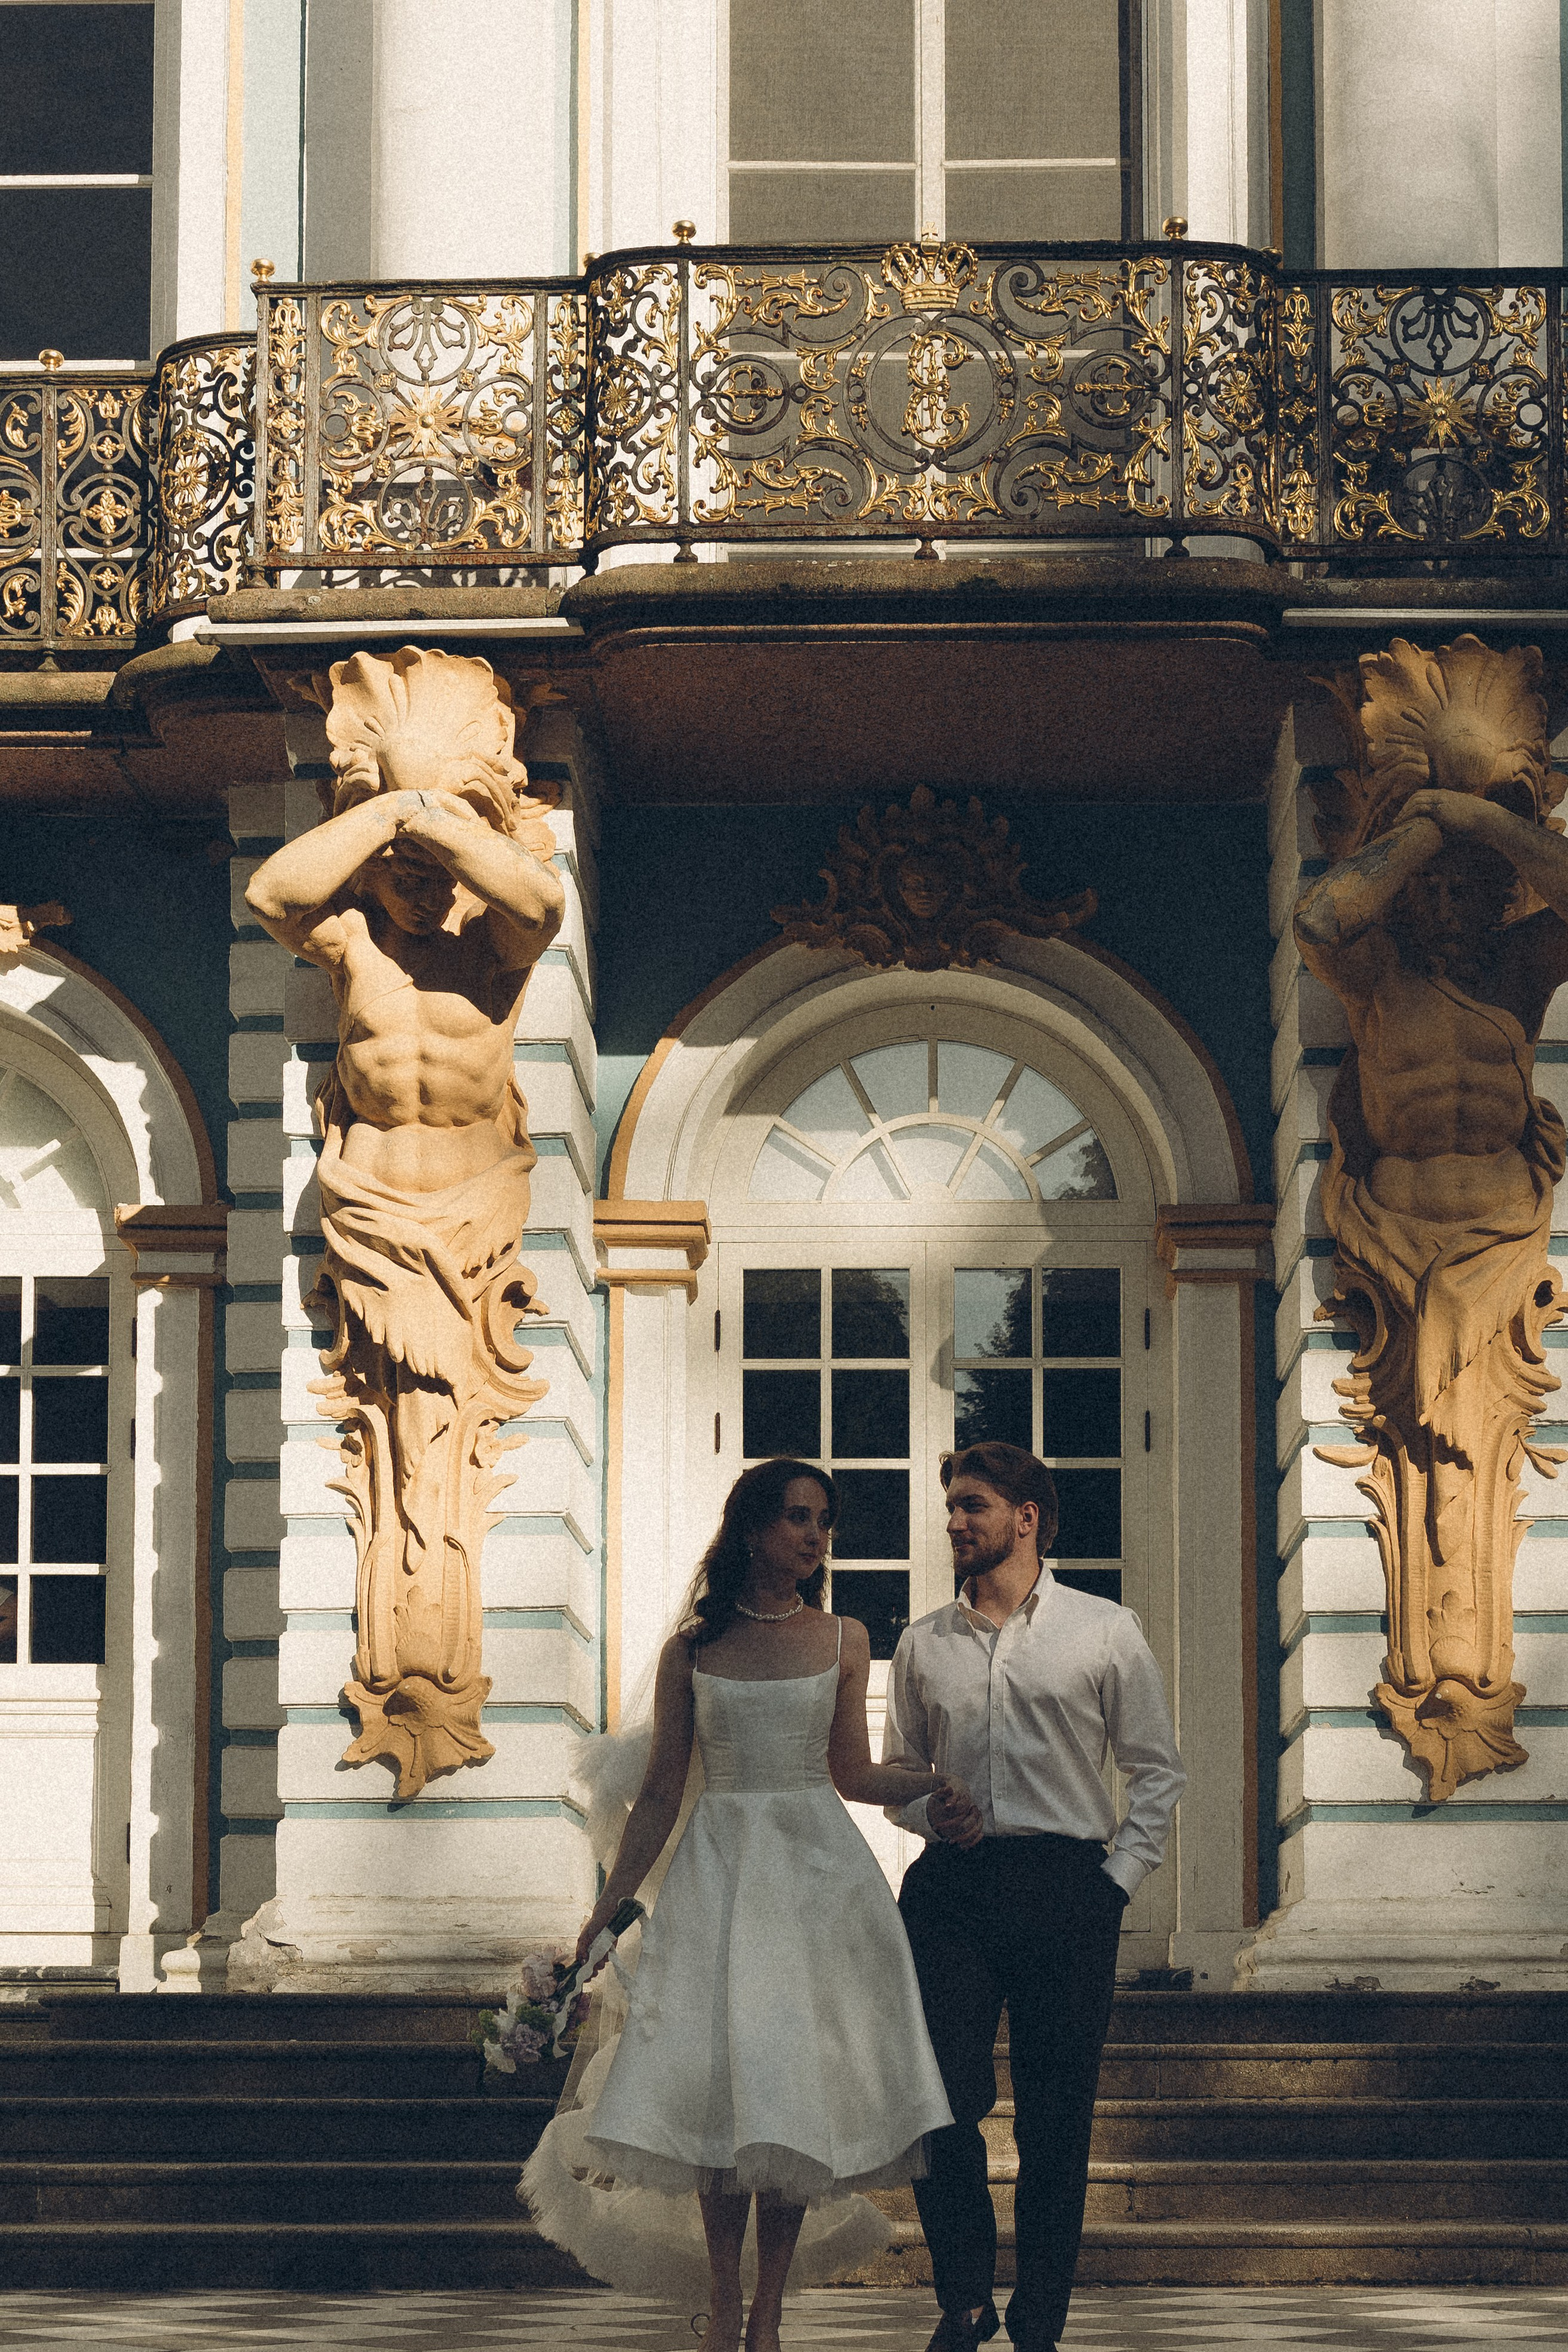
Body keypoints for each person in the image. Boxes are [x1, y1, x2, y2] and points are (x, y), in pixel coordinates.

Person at [524, 1458, 960, 2352]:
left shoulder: (844, 1638)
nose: (815, 1536)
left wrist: (933, 1786)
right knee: (723, 2103)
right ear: (752, 1528)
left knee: (790, 2098)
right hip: (718, 1874)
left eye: (823, 1522)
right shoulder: (693, 1648)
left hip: (816, 1884)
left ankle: (767, 2321)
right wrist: (605, 1912)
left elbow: (852, 1773)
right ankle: (724, 2308)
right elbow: (657, 1795)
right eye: (798, 1517)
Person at [883, 1441, 1186, 2352]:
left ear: (1028, 1517)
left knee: (1059, 2115)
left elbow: (1156, 1773)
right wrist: (933, 1812)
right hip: (951, 1892)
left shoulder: (1103, 1628)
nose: (953, 1523)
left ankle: (1040, 2321)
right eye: (950, 1508)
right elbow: (894, 1772)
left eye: (971, 1506)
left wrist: (1114, 1886)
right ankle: (964, 2300)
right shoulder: (922, 1641)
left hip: (1067, 1890)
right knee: (939, 2098)